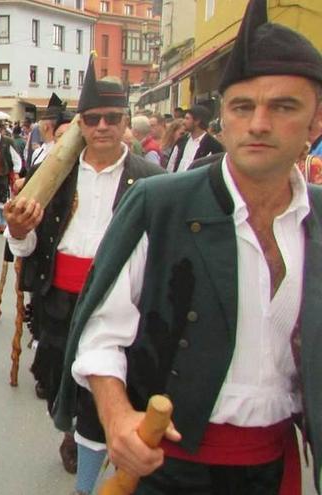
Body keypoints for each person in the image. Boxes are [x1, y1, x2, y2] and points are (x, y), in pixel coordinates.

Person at [54, 1, 322, 492]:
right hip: (166, 469)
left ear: (316, 122)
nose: (259, 123)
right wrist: (116, 419)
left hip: (276, 469)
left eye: (283, 106)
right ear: (223, 116)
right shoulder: (160, 204)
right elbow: (100, 335)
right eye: (243, 106)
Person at [4, 53, 163, 487]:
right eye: (93, 119)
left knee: (100, 394)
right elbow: (29, 245)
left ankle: (88, 471)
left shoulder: (150, 179)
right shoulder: (53, 174)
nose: (102, 127)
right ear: (81, 123)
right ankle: (71, 428)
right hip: (59, 299)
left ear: (125, 119)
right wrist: (17, 230)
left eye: (113, 117)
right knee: (58, 386)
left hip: (118, 306)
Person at [166, 105, 224, 173]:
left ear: (197, 121)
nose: (184, 122)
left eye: (187, 118)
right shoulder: (181, 141)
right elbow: (171, 165)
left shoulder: (213, 146)